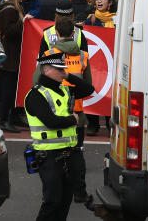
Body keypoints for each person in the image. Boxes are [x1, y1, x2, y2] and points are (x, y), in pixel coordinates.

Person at [25, 53, 95, 221]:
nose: (63, 71)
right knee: (52, 201)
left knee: (64, 201)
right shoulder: (36, 95)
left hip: (69, 153)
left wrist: (68, 75)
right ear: (46, 70)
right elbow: (51, 121)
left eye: (64, 69)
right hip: (48, 155)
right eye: (60, 69)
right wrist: (73, 119)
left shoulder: (64, 90)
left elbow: (89, 89)